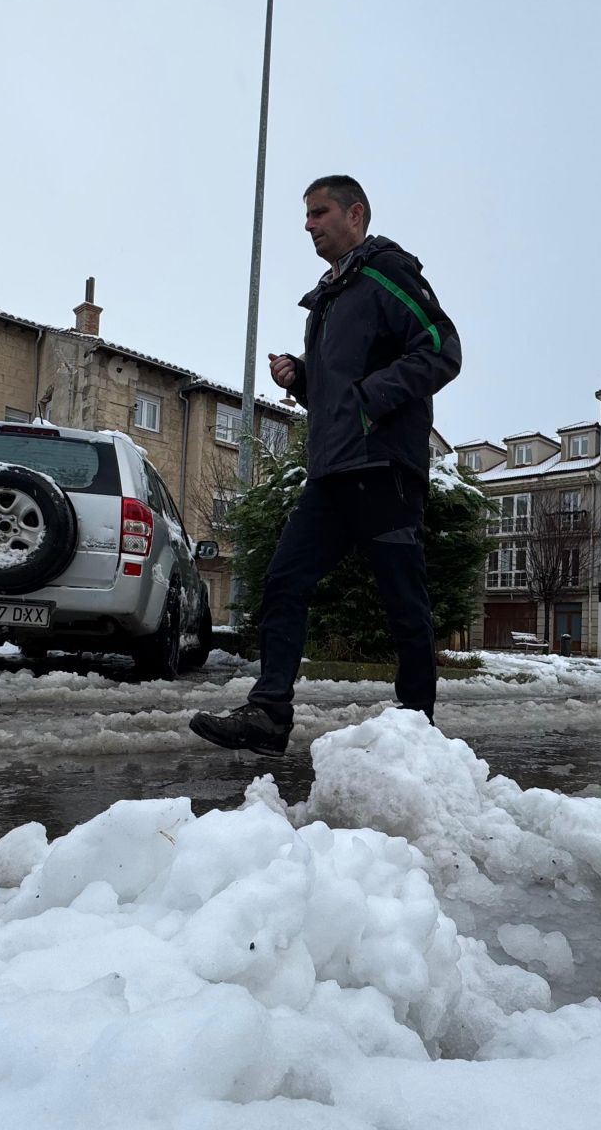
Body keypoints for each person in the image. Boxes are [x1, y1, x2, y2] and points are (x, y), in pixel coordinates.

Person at [191, 175, 461, 756]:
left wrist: (369, 400)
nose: (309, 225)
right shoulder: (329, 300)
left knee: (402, 600)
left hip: (383, 467)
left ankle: (417, 729)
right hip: (333, 471)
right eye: (307, 216)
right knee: (285, 580)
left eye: (319, 213)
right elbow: (339, 393)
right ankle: (268, 714)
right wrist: (305, 378)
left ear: (355, 214)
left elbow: (441, 348)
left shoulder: (388, 274)